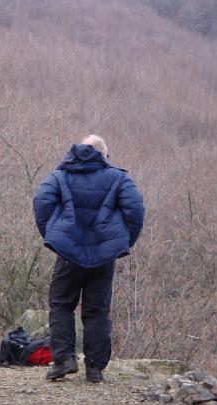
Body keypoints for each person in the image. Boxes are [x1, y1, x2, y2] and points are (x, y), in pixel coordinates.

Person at [33, 135, 144, 383]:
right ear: (104, 155)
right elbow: (136, 210)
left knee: (61, 304)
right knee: (97, 309)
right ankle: (94, 369)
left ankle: (64, 360)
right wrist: (122, 242)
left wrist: (55, 236)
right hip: (104, 255)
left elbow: (41, 201)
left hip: (68, 253)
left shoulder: (61, 175)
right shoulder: (118, 178)